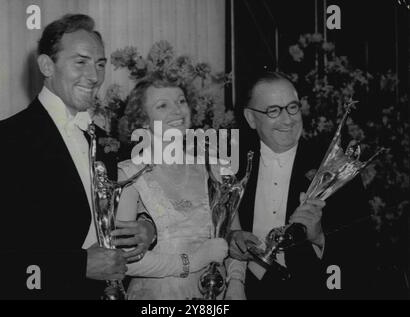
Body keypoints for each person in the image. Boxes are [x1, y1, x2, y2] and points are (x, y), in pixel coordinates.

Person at [0, 14, 155, 299]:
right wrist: (77, 266)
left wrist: (147, 228)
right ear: (46, 65)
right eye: (81, 62)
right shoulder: (1, 140)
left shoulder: (108, 142)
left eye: (100, 64)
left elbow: (135, 203)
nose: (94, 76)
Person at [229, 71, 376, 299]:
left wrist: (319, 237)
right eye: (273, 110)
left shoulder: (335, 166)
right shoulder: (232, 164)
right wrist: (232, 240)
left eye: (293, 107)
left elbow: (364, 246)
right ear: (250, 118)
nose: (288, 119)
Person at [115, 75, 245, 300]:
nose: (177, 111)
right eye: (162, 105)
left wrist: (236, 283)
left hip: (217, 295)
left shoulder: (214, 166)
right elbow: (124, 260)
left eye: (181, 101)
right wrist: (193, 262)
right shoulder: (130, 172)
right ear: (143, 120)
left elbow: (234, 238)